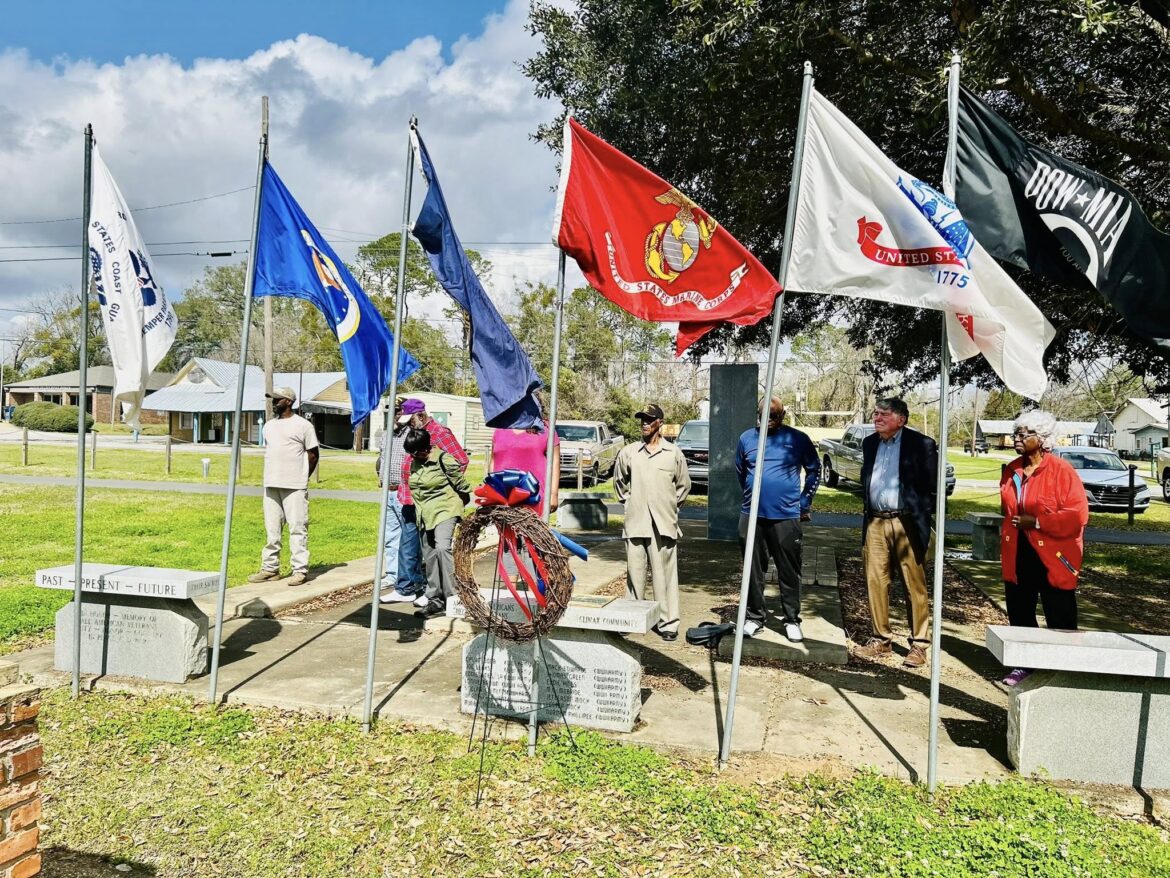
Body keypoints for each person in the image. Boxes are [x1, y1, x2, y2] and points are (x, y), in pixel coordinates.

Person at [998, 410, 1089, 686]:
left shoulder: (1062, 471)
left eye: (1024, 434)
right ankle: (1024, 665)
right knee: (1020, 609)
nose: (1017, 438)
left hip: (1054, 556)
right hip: (1018, 552)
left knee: (1059, 613)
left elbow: (1077, 516)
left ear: (1043, 438)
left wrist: (1037, 521)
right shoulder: (1011, 470)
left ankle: (1063, 670)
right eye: (1017, 433)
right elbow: (1007, 509)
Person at [854, 397, 937, 669]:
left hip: (906, 523)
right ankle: (881, 639)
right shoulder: (869, 444)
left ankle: (919, 644)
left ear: (901, 419)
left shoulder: (921, 445)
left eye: (884, 414)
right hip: (875, 523)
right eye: (875, 414)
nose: (877, 418)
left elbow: (931, 487)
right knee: (876, 581)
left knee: (914, 585)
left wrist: (922, 514)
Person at [734, 397, 821, 642]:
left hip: (786, 515)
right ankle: (754, 618)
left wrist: (804, 501)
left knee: (789, 570)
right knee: (753, 570)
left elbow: (815, 470)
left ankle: (792, 619)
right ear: (757, 415)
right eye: (763, 416)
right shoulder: (746, 439)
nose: (768, 420)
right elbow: (741, 472)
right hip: (751, 515)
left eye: (773, 416)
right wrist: (754, 495)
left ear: (782, 416)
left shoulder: (797, 439)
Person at [614, 402, 691, 641]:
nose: (644, 424)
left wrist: (667, 506)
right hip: (636, 522)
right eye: (642, 420)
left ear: (660, 423)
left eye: (649, 420)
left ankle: (667, 622)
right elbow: (619, 483)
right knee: (634, 575)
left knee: (664, 576)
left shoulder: (673, 453)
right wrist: (632, 502)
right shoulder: (629, 452)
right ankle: (633, 618)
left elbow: (683, 486)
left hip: (663, 524)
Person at [395, 399, 469, 609]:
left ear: (421, 415)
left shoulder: (440, 434)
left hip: (443, 505)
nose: (408, 425)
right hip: (421, 506)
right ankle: (434, 596)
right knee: (428, 553)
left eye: (411, 421)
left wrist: (443, 485)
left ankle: (453, 597)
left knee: (442, 548)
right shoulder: (415, 436)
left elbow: (460, 461)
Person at [248, 386, 319, 587]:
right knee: (272, 529)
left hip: (294, 485)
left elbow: (313, 454)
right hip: (271, 483)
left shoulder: (303, 425)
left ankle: (299, 570)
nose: (273, 403)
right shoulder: (269, 426)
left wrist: (302, 477)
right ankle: (270, 569)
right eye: (272, 399)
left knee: (298, 528)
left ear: (288, 401)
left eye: (277, 399)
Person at [376, 399, 416, 604]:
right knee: (390, 535)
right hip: (388, 490)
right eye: (391, 411)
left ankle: (408, 577)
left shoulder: (411, 434)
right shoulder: (386, 435)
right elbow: (381, 458)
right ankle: (392, 575)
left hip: (405, 491)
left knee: (407, 538)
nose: (395, 415)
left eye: (398, 411)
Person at [488, 418, 560, 517]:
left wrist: (553, 494)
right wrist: (490, 489)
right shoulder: (500, 429)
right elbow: (493, 460)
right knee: (505, 531)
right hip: (502, 499)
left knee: (531, 532)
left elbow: (555, 462)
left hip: (533, 497)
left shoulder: (544, 429)